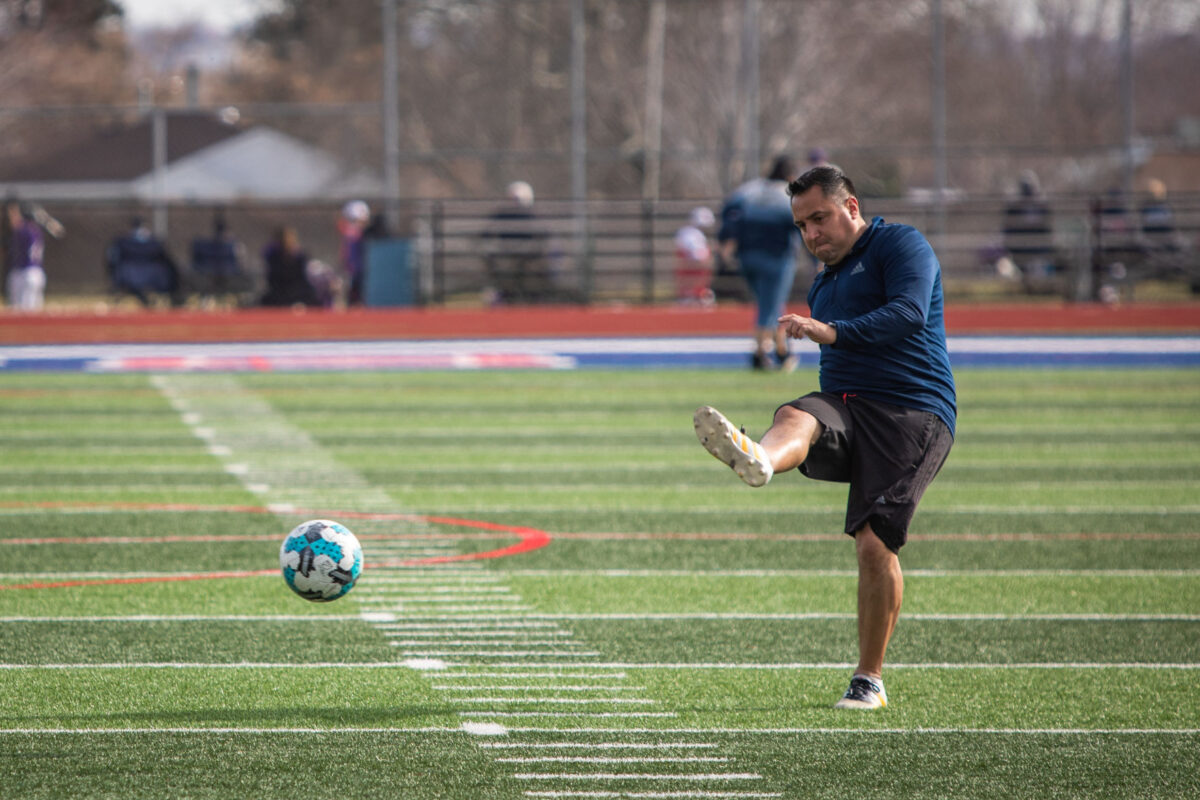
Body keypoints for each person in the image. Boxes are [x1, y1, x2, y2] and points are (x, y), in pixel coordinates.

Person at [694, 165, 956, 710]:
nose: (811, 233)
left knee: (873, 544)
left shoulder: (901, 245)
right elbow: (836, 367)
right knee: (796, 412)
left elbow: (908, 314)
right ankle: (760, 456)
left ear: (851, 208)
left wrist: (829, 331)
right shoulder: (823, 279)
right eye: (802, 225)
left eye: (820, 218)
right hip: (847, 405)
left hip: (912, 412)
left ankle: (870, 680)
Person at [718, 154, 802, 371]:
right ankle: (759, 353)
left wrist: (726, 243)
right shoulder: (788, 195)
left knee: (772, 304)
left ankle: (783, 352)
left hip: (747, 257)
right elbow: (802, 225)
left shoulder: (750, 190)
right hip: (776, 256)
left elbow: (729, 213)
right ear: (791, 175)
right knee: (769, 306)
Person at [482, 181, 551, 304]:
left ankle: (533, 298)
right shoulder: (502, 214)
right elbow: (486, 232)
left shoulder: (532, 215)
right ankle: (503, 296)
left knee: (530, 275)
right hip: (507, 254)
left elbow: (543, 235)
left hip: (528, 255)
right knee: (506, 275)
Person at [105, 217, 184, 307]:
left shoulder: (122, 242)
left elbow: (112, 259)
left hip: (130, 274)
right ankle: (170, 299)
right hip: (146, 274)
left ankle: (168, 299)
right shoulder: (153, 242)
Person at [1001, 170, 1055, 292]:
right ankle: (1025, 283)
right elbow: (1008, 225)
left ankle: (1037, 285)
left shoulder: (1041, 204)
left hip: (1036, 242)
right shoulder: (1015, 205)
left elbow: (1047, 225)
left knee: (1038, 266)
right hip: (1019, 242)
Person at [260, 226, 330, 308]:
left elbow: (302, 278)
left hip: (298, 290)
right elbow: (272, 277)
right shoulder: (274, 257)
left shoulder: (300, 257)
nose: (290, 242)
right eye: (287, 239)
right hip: (280, 291)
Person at [190, 213, 250, 304]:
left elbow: (240, 260)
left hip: (228, 272)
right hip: (210, 271)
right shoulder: (208, 244)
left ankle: (234, 300)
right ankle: (207, 299)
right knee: (207, 282)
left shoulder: (232, 244)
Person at [4, 201, 46, 311]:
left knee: (20, 312)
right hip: (37, 273)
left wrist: (12, 209)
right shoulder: (37, 231)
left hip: (23, 273)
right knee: (33, 312)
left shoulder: (23, 231)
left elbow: (15, 224)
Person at [674, 206, 716, 305]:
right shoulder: (694, 235)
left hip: (690, 284)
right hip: (694, 285)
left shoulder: (686, 233)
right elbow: (700, 259)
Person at [337, 200, 371, 306]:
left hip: (359, 270)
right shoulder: (351, 235)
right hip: (353, 270)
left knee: (358, 294)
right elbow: (347, 255)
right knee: (352, 294)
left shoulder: (361, 236)